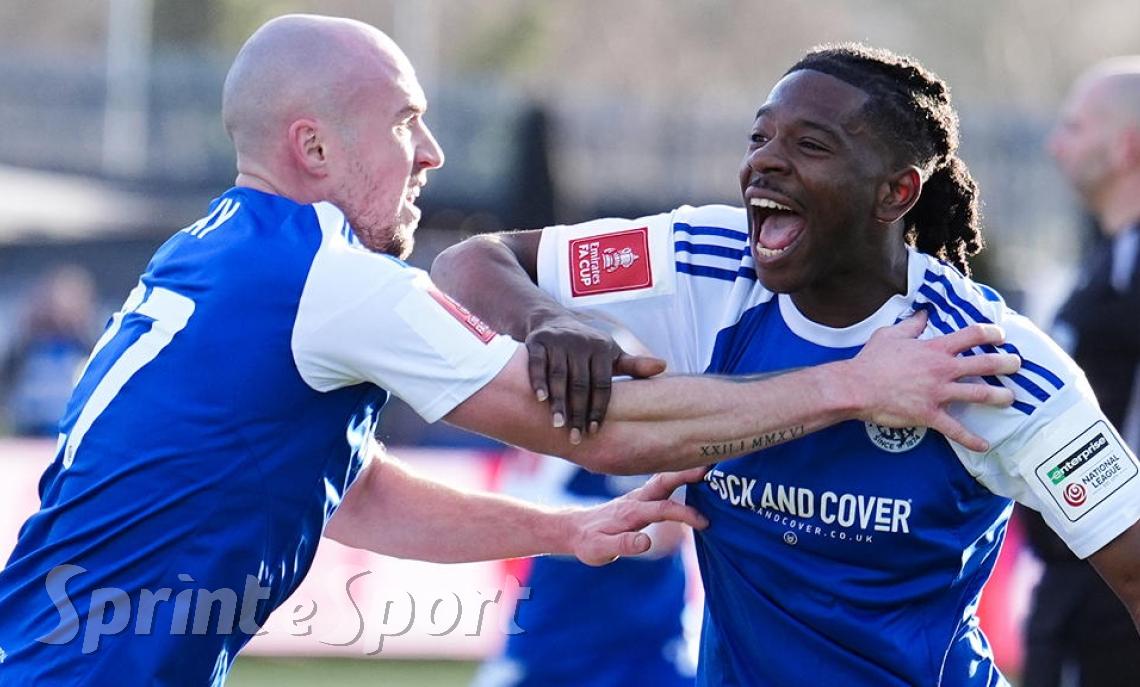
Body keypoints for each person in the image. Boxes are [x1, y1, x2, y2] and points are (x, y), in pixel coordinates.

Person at [0, 19, 1019, 686]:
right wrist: (853, 383)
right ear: (314, 150)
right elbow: (608, 432)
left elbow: (356, 496)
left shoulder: (215, 254)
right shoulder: (335, 280)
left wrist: (562, 533)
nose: (432, 156)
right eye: (408, 124)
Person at [433, 43, 1140, 686]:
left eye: (811, 145)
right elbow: (471, 259)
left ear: (895, 193)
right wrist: (545, 317)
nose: (765, 161)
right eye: (760, 136)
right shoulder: (703, 263)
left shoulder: (989, 360)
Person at [1013, 56, 1140, 687]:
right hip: (1074, 589)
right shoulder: (1101, 262)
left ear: (1127, 146)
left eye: (1074, 126)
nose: (1054, 144)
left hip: (1116, 590)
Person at [472, 450, 695, 687]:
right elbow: (518, 508)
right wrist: (593, 527)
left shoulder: (672, 427)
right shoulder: (558, 426)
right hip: (560, 632)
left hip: (649, 633)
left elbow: (670, 531)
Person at [1, 265, 98, 436]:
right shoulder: (29, 345)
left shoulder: (85, 344)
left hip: (69, 430)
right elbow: (9, 379)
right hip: (30, 432)